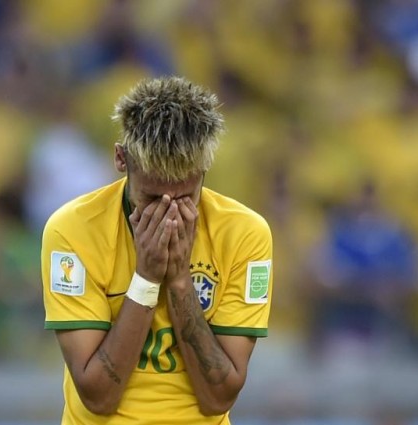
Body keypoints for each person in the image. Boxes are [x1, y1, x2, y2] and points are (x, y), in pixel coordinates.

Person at [41, 76, 273, 424]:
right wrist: (147, 278)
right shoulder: (73, 230)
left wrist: (180, 280)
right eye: (151, 199)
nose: (168, 218)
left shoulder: (245, 234)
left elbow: (218, 397)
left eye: (184, 199)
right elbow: (98, 396)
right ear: (122, 159)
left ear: (204, 169)